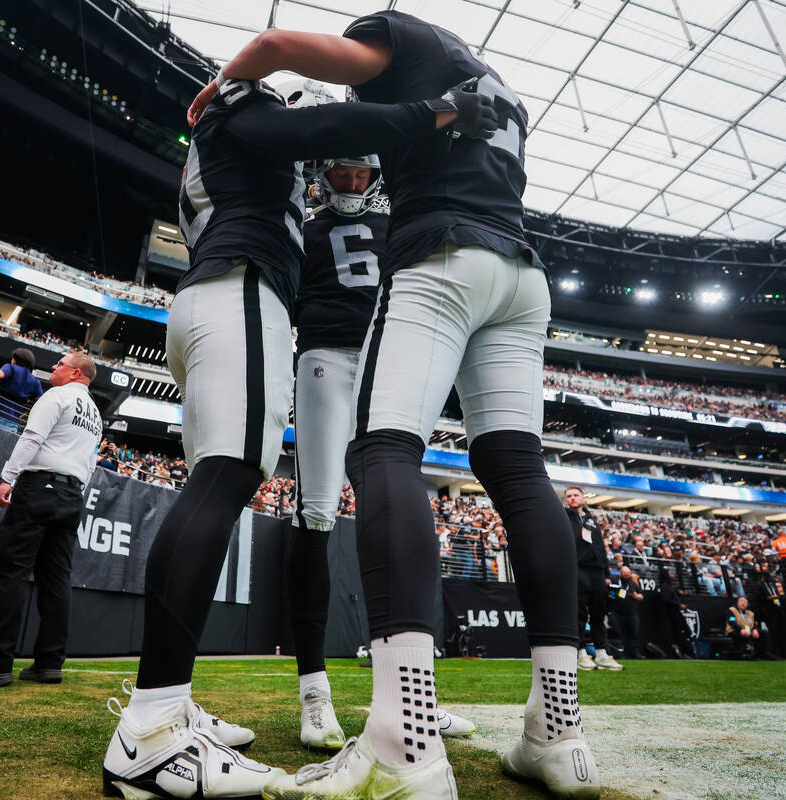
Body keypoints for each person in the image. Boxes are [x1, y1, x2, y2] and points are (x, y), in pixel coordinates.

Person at [196, 12, 599, 799]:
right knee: (519, 473)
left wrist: (224, 86)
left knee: (384, 452)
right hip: (520, 273)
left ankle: (401, 735)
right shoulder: (504, 93)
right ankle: (560, 731)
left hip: (443, 254)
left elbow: (279, 49)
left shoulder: (409, 47)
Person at [100, 67, 495, 800]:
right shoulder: (244, 117)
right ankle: (153, 728)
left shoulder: (251, 159)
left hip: (223, 292)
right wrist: (434, 110)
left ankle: (168, 707)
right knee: (228, 481)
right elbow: (311, 128)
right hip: (243, 293)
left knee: (218, 483)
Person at [284, 148, 476, 748]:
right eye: (341, 170)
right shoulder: (306, 226)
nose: (350, 180)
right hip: (322, 355)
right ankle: (313, 692)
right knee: (315, 509)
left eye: (360, 172)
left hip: (380, 356)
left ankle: (413, 692)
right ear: (322, 173)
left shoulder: (395, 222)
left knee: (391, 508)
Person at [0, 352, 102, 687]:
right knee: (56, 579)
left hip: (39, 487)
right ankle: (49, 663)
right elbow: (89, 464)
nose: (54, 368)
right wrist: (72, 491)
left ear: (76, 372)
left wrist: (7, 477)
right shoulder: (95, 413)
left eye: (60, 364)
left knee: (10, 571)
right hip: (71, 493)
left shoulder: (57, 396)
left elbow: (32, 437)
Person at [565, 486, 621, 671]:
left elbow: (600, 547)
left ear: (583, 498)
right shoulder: (563, 517)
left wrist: (606, 574)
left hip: (597, 572)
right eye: (569, 496)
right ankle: (581, 653)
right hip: (577, 570)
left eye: (575, 495)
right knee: (579, 614)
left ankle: (602, 654)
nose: (572, 498)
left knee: (599, 614)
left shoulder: (591, 520)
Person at [608, 566, 645, 660]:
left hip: (631, 612)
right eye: (625, 575)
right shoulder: (614, 580)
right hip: (616, 610)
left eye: (628, 575)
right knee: (617, 632)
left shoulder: (632, 583)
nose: (626, 576)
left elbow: (641, 595)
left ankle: (635, 653)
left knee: (634, 632)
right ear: (620, 574)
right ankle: (619, 653)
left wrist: (635, 595)